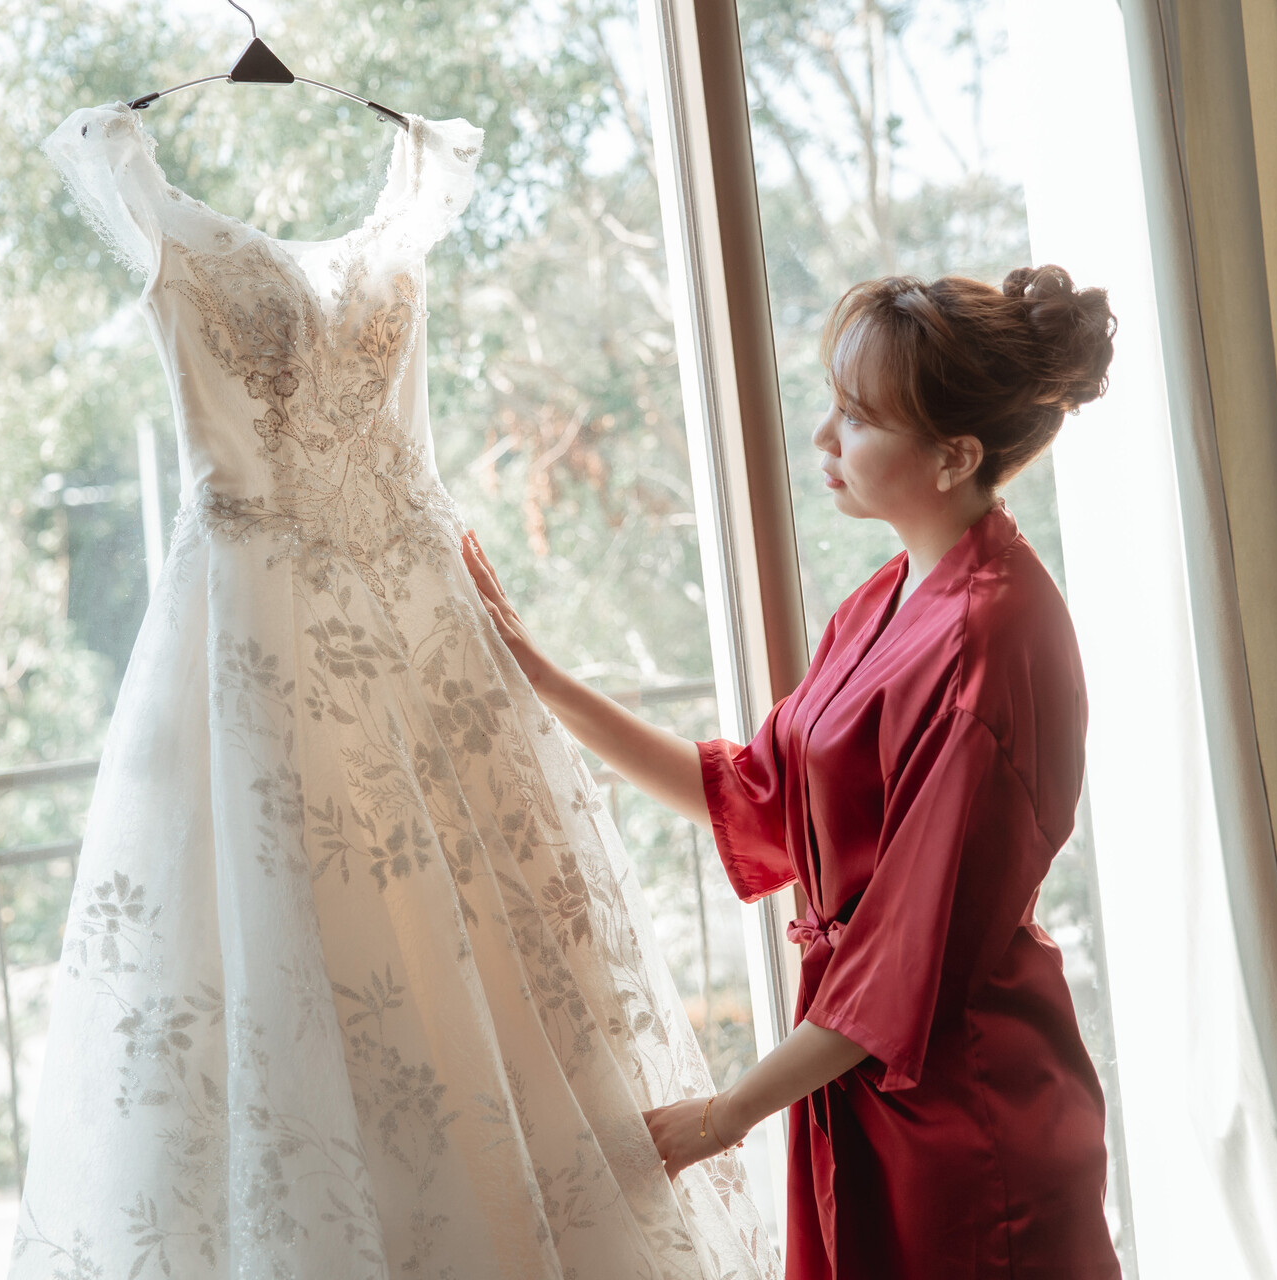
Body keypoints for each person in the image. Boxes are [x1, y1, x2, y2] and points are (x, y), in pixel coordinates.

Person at [462, 265, 1123, 1279]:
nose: (823, 437)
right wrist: (546, 681)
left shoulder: (994, 638)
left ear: (954, 455)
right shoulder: (885, 597)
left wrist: (722, 1116)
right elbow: (750, 796)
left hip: (964, 1108)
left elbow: (908, 954)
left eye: (858, 417)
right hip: (861, 1077)